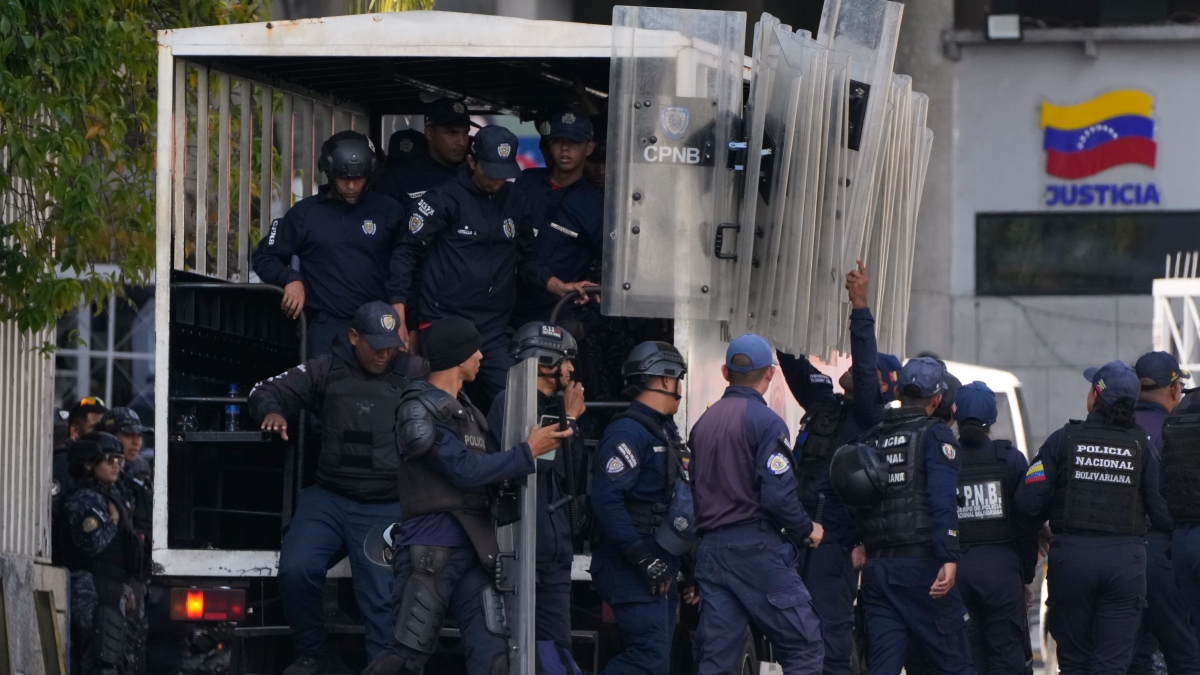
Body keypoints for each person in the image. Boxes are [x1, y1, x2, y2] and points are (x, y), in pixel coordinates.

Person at [361, 316, 572, 675]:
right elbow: (461, 470)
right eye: (475, 350)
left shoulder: (469, 411)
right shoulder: (418, 406)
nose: (480, 357)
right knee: (404, 660)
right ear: (458, 356)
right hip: (431, 549)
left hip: (477, 551)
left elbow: (484, 473)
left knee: (496, 664)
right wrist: (526, 452)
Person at [248, 302, 429, 674]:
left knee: (381, 600)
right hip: (330, 497)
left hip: (386, 503)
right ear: (353, 337)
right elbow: (264, 390)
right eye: (375, 344)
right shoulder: (326, 368)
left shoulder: (414, 371)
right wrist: (272, 411)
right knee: (296, 569)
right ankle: (313, 655)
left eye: (390, 344)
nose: (384, 353)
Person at [387, 125, 590, 412]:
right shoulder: (442, 198)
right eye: (491, 171)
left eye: (504, 172)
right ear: (472, 161)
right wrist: (399, 309)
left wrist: (562, 287)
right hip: (446, 322)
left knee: (519, 403)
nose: (497, 179)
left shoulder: (515, 199)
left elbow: (528, 260)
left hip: (494, 326)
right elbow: (406, 252)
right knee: (441, 406)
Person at [776, 259, 900, 675]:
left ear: (881, 386)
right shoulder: (824, 402)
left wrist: (859, 305)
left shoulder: (870, 415)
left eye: (868, 371)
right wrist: (784, 301)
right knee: (791, 637)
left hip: (834, 540)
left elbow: (864, 369)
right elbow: (791, 360)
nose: (853, 367)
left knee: (829, 642)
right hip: (795, 532)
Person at [1015, 361, 1171, 675]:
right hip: (1124, 563)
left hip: (1072, 560)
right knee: (1111, 666)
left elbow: (1028, 503)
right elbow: (1163, 512)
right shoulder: (1142, 445)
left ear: (1094, 396)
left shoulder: (1063, 439)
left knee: (1074, 664)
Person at [690, 334, 825, 675]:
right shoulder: (767, 423)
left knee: (716, 658)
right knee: (804, 645)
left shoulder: (702, 424)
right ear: (770, 373)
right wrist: (806, 528)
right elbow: (778, 496)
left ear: (725, 372)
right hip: (755, 550)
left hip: (711, 550)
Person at [840, 356, 973, 675]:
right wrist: (948, 556)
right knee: (956, 663)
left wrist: (858, 541)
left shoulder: (872, 437)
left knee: (882, 666)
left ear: (898, 391)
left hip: (878, 571)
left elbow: (849, 492)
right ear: (938, 399)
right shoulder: (935, 435)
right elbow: (942, 498)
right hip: (922, 568)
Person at [486, 321, 587, 674]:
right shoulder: (509, 403)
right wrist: (568, 418)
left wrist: (571, 421)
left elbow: (573, 474)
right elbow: (532, 468)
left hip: (554, 550)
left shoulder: (560, 406)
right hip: (522, 548)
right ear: (544, 362)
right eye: (565, 360)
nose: (571, 369)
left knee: (555, 651)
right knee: (517, 650)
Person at [252, 131, 404, 358]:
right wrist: (290, 278)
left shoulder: (390, 211)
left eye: (358, 179)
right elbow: (264, 256)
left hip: (380, 325)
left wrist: (401, 311)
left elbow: (407, 265)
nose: (351, 186)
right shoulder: (306, 214)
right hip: (327, 329)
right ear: (330, 175)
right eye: (344, 179)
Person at [589, 341, 690, 675]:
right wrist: (642, 558)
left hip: (659, 563)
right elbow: (606, 500)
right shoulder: (629, 432)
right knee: (648, 657)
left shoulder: (663, 430)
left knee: (657, 660)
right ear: (665, 379)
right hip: (631, 566)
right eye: (678, 379)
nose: (679, 389)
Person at [950, 382, 1037, 675]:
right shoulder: (1010, 459)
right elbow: (1026, 521)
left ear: (955, 414)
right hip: (1002, 573)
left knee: (966, 656)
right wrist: (1026, 575)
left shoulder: (944, 458)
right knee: (1006, 655)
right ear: (993, 418)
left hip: (956, 571)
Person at [1127, 352, 1200, 675]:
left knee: (1132, 656)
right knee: (1185, 653)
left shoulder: (1114, 426)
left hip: (1116, 555)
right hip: (1164, 553)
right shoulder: (1175, 430)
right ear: (1174, 389)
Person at [62, 432, 148, 675]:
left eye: (119, 460)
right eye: (110, 460)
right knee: (96, 660)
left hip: (111, 589)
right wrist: (114, 519)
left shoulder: (110, 495)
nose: (116, 466)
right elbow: (94, 545)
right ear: (90, 463)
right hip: (90, 590)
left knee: (116, 660)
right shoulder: (83, 499)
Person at [509, 111, 604, 330]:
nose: (565, 149)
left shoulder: (595, 206)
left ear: (588, 148)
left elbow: (611, 268)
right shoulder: (526, 182)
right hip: (507, 310)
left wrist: (586, 323)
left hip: (558, 314)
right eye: (558, 141)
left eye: (574, 143)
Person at [376, 98, 470, 211]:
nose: (461, 142)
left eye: (465, 133)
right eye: (452, 133)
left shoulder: (474, 174)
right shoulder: (400, 178)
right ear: (430, 133)